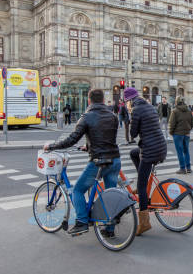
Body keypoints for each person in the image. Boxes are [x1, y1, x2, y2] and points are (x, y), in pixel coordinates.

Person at [43, 89, 121, 236]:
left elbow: (72, 139)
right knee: (110, 194)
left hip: (99, 162)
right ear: (103, 100)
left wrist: (51, 146)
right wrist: (89, 146)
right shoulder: (113, 116)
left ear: (89, 101)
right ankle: (109, 230)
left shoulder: (86, 117)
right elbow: (107, 138)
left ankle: (82, 222)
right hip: (115, 159)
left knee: (78, 190)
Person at [124, 87, 167, 236]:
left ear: (129, 101)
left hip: (150, 150)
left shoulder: (136, 110)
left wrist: (130, 119)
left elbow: (133, 134)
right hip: (160, 146)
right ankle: (143, 177)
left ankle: (144, 223)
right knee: (133, 153)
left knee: (141, 187)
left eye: (126, 102)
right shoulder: (149, 106)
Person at [169, 96, 193, 174]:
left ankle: (182, 168)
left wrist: (171, 132)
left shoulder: (175, 111)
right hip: (186, 134)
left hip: (177, 134)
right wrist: (188, 129)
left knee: (180, 151)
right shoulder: (189, 111)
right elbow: (192, 122)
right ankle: (188, 168)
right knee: (186, 151)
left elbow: (172, 124)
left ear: (176, 102)